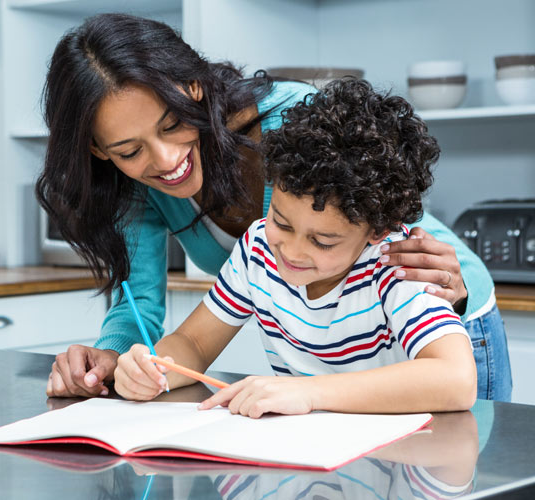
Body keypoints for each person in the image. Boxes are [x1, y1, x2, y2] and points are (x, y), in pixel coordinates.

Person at [36, 13, 511, 401]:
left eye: (171, 124)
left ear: (193, 88)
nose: (164, 161)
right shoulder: (262, 247)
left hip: (437, 302)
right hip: (332, 358)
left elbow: (448, 376)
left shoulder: (301, 135)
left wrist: (309, 393)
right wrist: (119, 365)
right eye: (128, 150)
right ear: (100, 151)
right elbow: (157, 316)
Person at [114, 78, 477, 416]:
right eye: (282, 223)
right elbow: (193, 342)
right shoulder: (257, 249)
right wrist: (153, 366)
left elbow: (456, 380)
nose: (291, 251)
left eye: (322, 240)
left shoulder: (396, 267)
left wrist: (308, 392)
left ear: (377, 231)